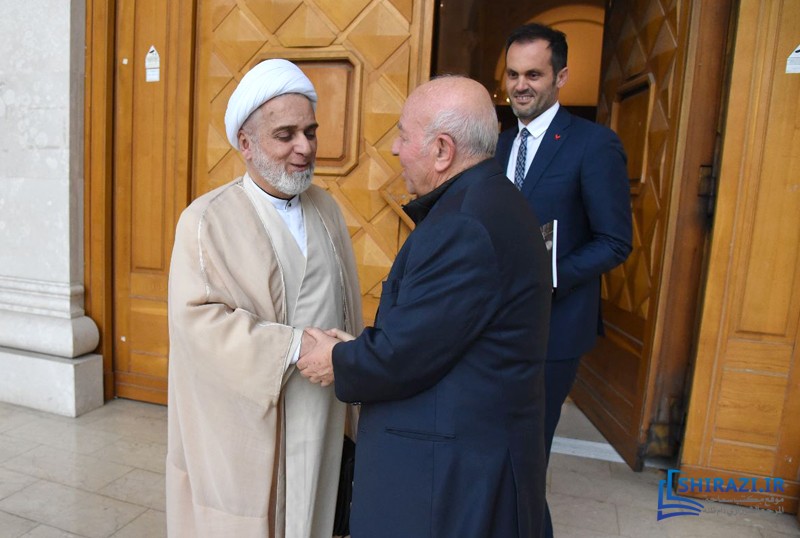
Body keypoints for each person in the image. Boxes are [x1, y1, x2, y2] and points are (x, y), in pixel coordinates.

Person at [297, 76, 552, 537]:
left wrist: (335, 358)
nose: (395, 149)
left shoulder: (464, 224)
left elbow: (405, 355)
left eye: (403, 135)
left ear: (442, 150)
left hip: (452, 478)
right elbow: (439, 334)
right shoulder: (488, 199)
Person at [165, 59, 362, 538]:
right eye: (285, 135)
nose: (304, 148)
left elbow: (348, 305)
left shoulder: (327, 208)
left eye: (310, 132)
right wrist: (294, 347)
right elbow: (199, 326)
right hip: (248, 423)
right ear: (247, 145)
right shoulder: (206, 220)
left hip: (322, 409)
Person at [495, 23, 633, 537]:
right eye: (513, 74)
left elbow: (614, 241)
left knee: (528, 452)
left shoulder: (594, 145)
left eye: (533, 74)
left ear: (561, 77)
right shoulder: (498, 145)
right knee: (498, 443)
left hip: (554, 328)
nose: (520, 85)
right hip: (494, 324)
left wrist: (546, 278)